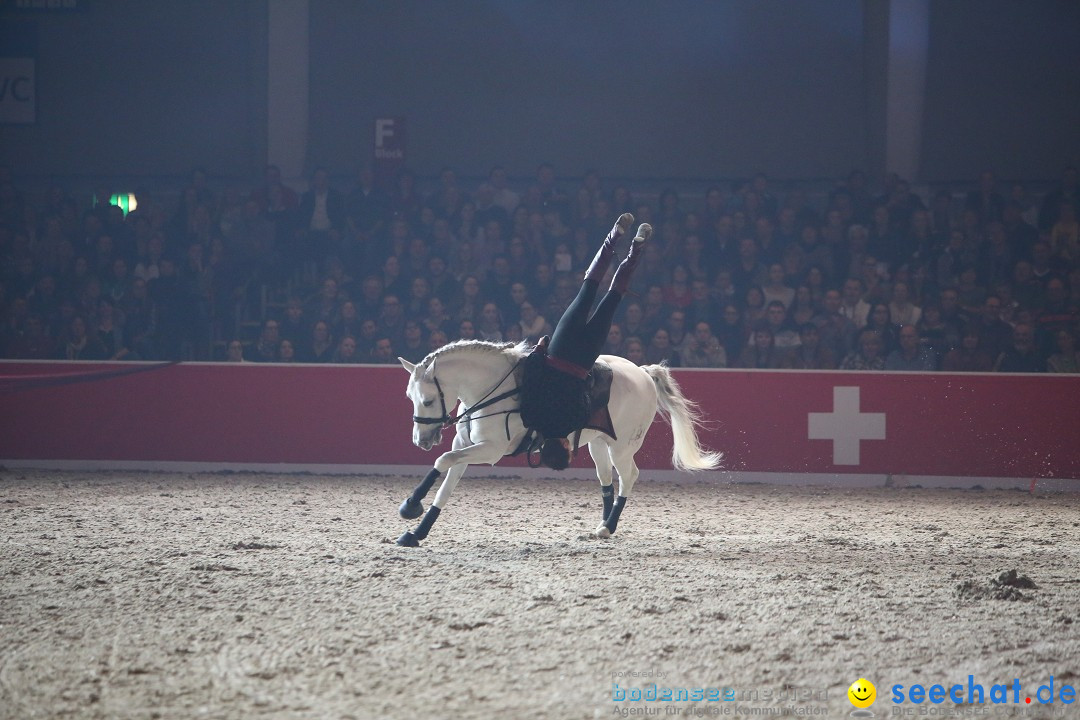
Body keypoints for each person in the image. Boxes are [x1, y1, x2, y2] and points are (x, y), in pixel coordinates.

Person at [520, 214, 648, 470]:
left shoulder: (575, 421)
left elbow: (590, 389)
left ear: (566, 447)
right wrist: (539, 350)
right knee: (588, 288)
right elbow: (531, 375)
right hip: (559, 349)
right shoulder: (531, 417)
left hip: (583, 359)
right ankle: (613, 238)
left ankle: (635, 251)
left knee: (613, 298)